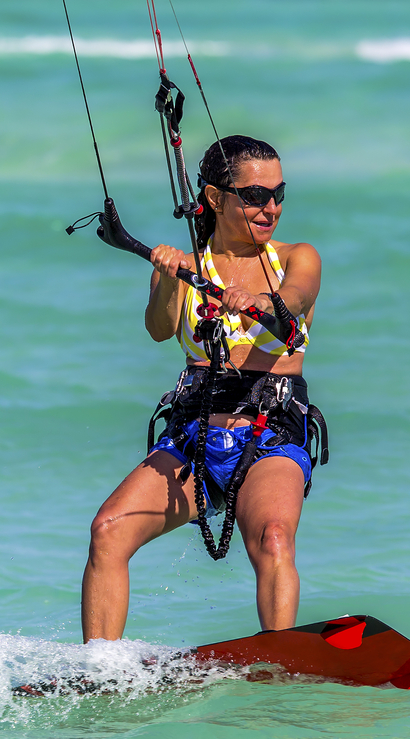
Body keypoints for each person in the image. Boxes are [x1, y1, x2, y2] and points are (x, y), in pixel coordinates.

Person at [81, 135, 324, 642]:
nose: (270, 207)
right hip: (194, 431)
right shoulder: (190, 266)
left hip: (271, 432)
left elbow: (293, 301)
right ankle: (100, 670)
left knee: (274, 539)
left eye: (279, 193)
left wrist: (255, 298)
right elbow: (158, 327)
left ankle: (280, 660)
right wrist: (169, 276)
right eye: (255, 195)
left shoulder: (297, 257)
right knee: (108, 531)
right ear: (216, 198)